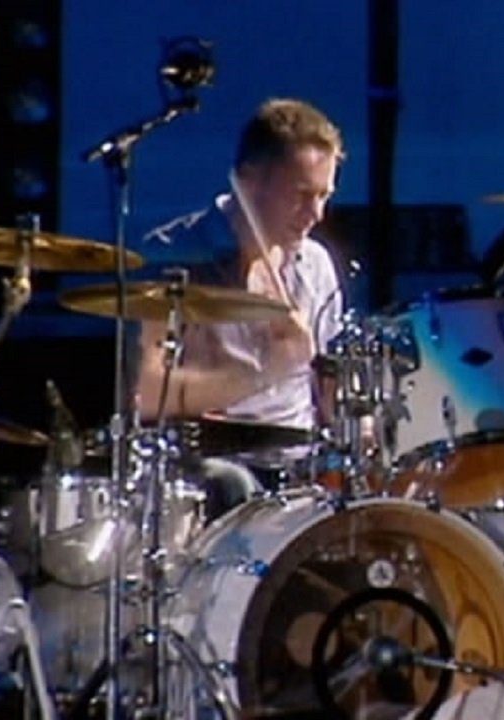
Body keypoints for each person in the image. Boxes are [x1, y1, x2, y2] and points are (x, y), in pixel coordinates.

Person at [134, 97, 347, 518]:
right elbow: (149, 393)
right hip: (214, 462)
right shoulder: (174, 257)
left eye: (324, 196)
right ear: (248, 183)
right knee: (232, 485)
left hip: (299, 460)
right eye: (301, 195)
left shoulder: (315, 264)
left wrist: (363, 429)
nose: (316, 214)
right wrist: (266, 371)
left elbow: (329, 389)